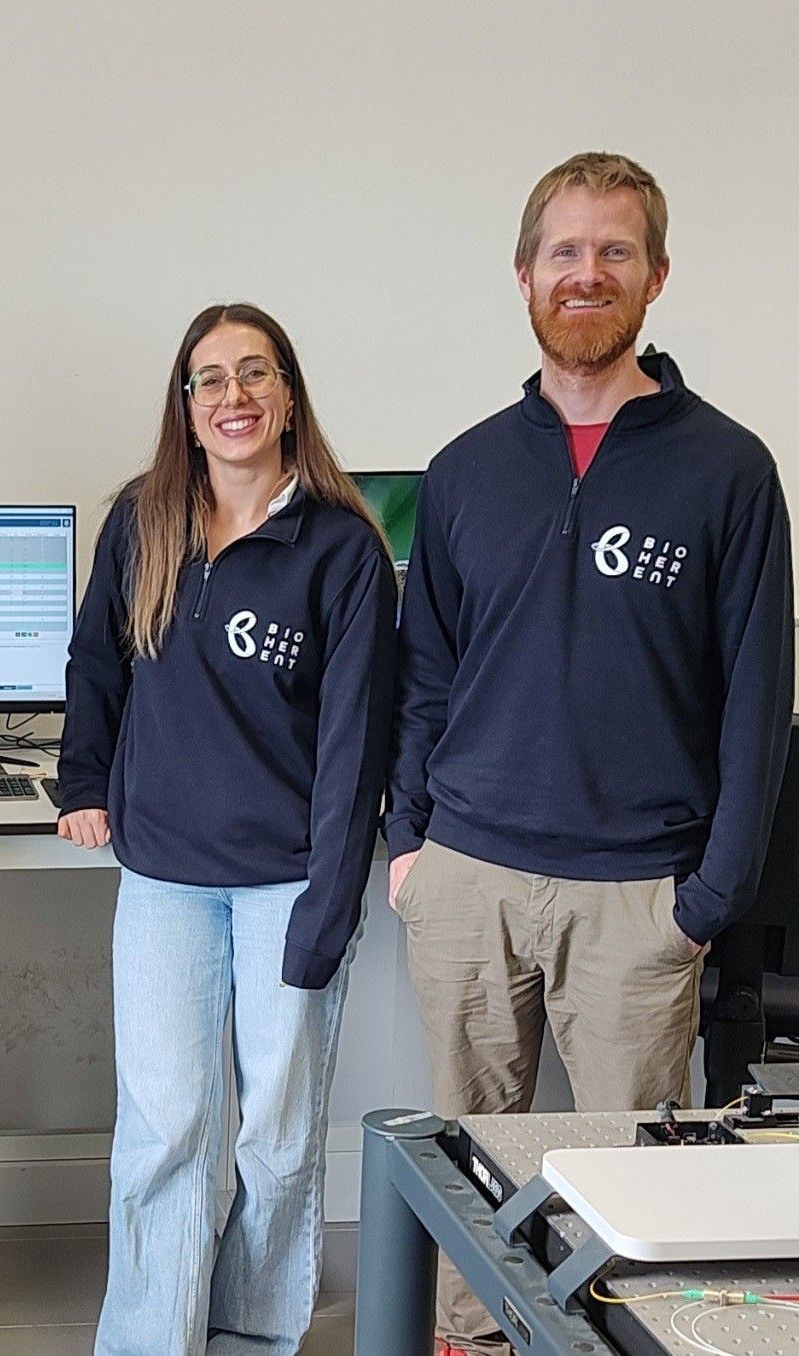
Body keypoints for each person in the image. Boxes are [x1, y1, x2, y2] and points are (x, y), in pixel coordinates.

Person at [386, 152, 794, 1355]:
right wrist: (409, 848)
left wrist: (708, 897)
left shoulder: (728, 470)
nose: (586, 273)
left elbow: (755, 703)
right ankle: (472, 1343)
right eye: (563, 251)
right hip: (465, 879)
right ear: (522, 276)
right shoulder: (464, 472)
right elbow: (423, 677)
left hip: (639, 898)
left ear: (655, 276)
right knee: (464, 1170)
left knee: (633, 1199)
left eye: (614, 251)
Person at [57, 303, 397, 1355]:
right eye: (209, 378)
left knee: (277, 1139)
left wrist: (329, 905)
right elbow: (96, 666)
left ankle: (250, 1334)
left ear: (289, 396)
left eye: (255, 374)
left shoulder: (340, 549)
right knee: (162, 1132)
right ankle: (152, 1339)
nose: (233, 395)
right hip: (162, 877)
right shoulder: (142, 520)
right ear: (186, 406)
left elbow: (356, 746)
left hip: (286, 885)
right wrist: (82, 783)